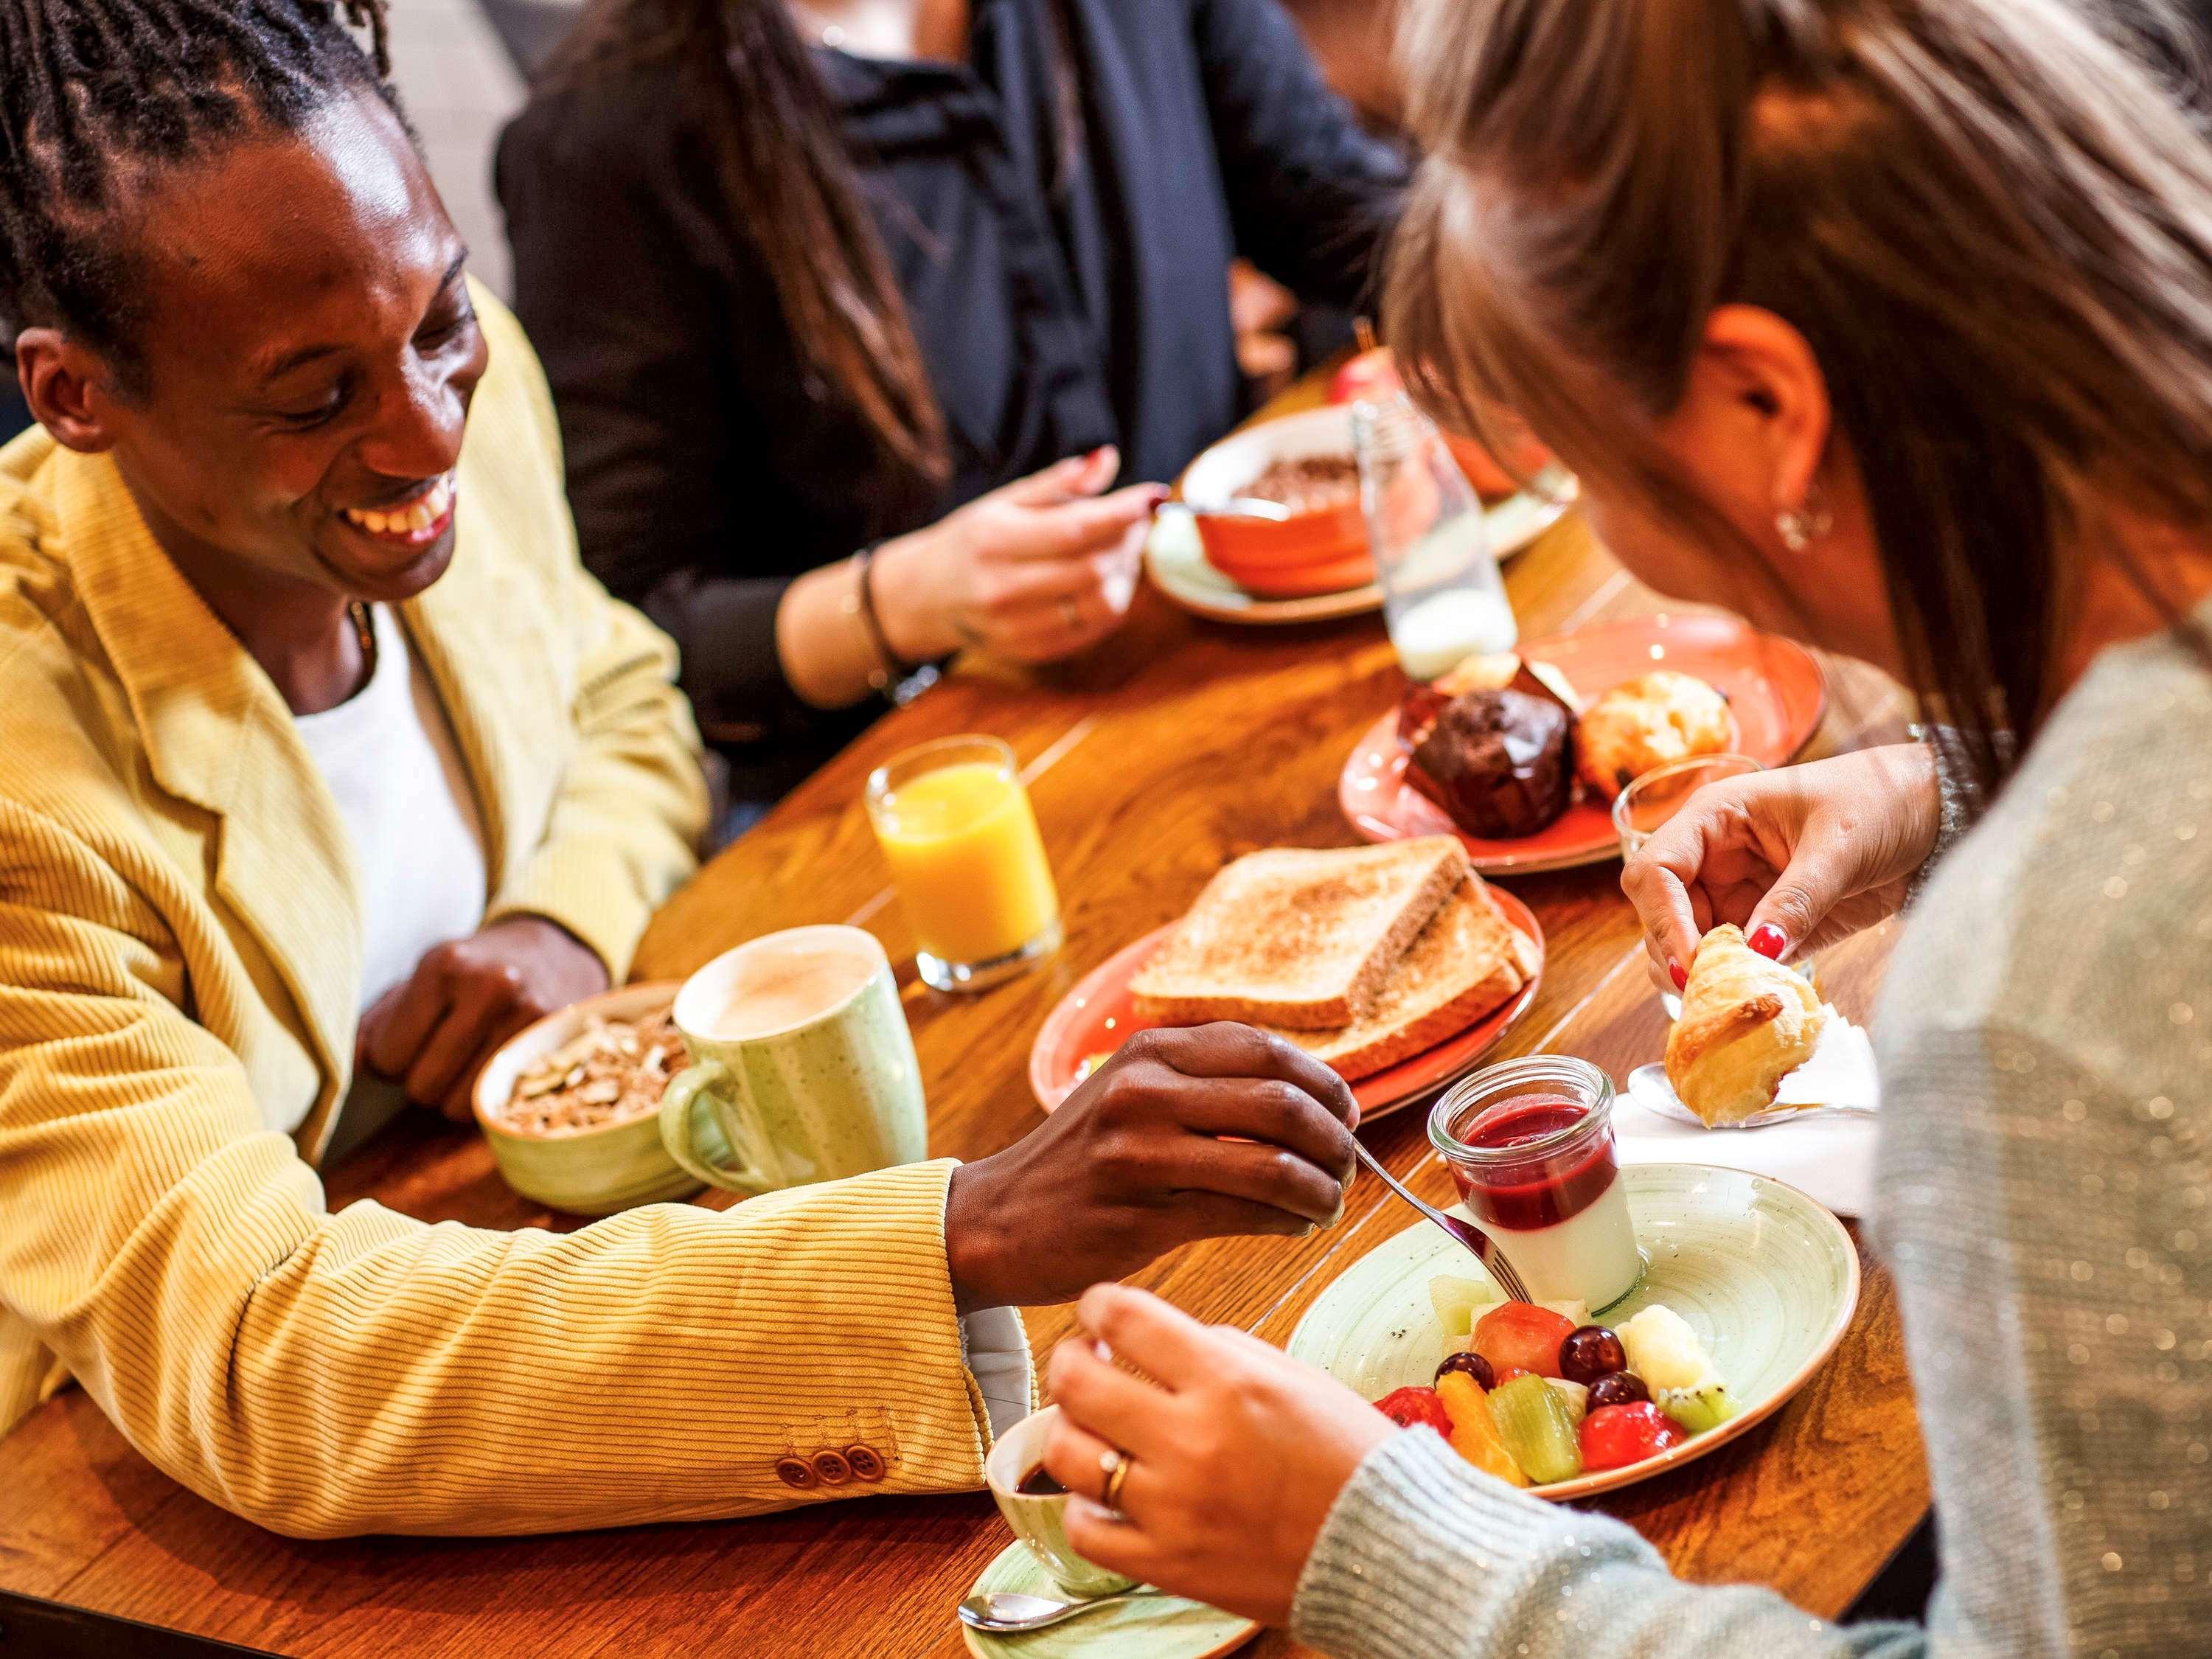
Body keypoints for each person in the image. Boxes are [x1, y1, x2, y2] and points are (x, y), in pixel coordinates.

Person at [0, 0, 1363, 1537]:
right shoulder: (23, 779)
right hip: (126, 1511)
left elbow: (625, 692)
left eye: (443, 322)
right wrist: (957, 1234)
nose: (431, 430)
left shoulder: (458, 380)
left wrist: (563, 922)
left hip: (534, 1232)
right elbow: (264, 1350)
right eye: (317, 399)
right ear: (73, 398)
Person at [1036, 0, 2212, 1652]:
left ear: (1765, 405)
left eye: (1581, 460)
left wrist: (1371, 1541)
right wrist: (1947, 779)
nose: (1603, 523)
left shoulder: (2045, 999)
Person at [495, 0, 1408, 807]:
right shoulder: (603, 137)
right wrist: (904, 599)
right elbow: (625, 632)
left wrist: (1515, 275)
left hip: (1258, 663)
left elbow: (1335, 206)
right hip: (942, 788)